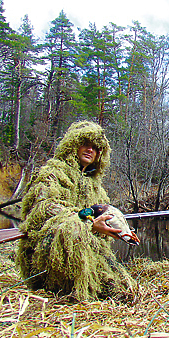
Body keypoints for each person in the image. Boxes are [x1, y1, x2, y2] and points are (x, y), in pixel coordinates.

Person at [15, 121, 136, 301]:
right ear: (73, 145)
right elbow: (45, 208)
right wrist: (86, 221)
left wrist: (118, 230)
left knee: (122, 289)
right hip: (50, 249)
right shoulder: (52, 172)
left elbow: (101, 220)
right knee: (73, 229)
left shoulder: (96, 188)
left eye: (95, 147)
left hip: (85, 250)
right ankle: (65, 289)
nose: (90, 150)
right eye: (85, 144)